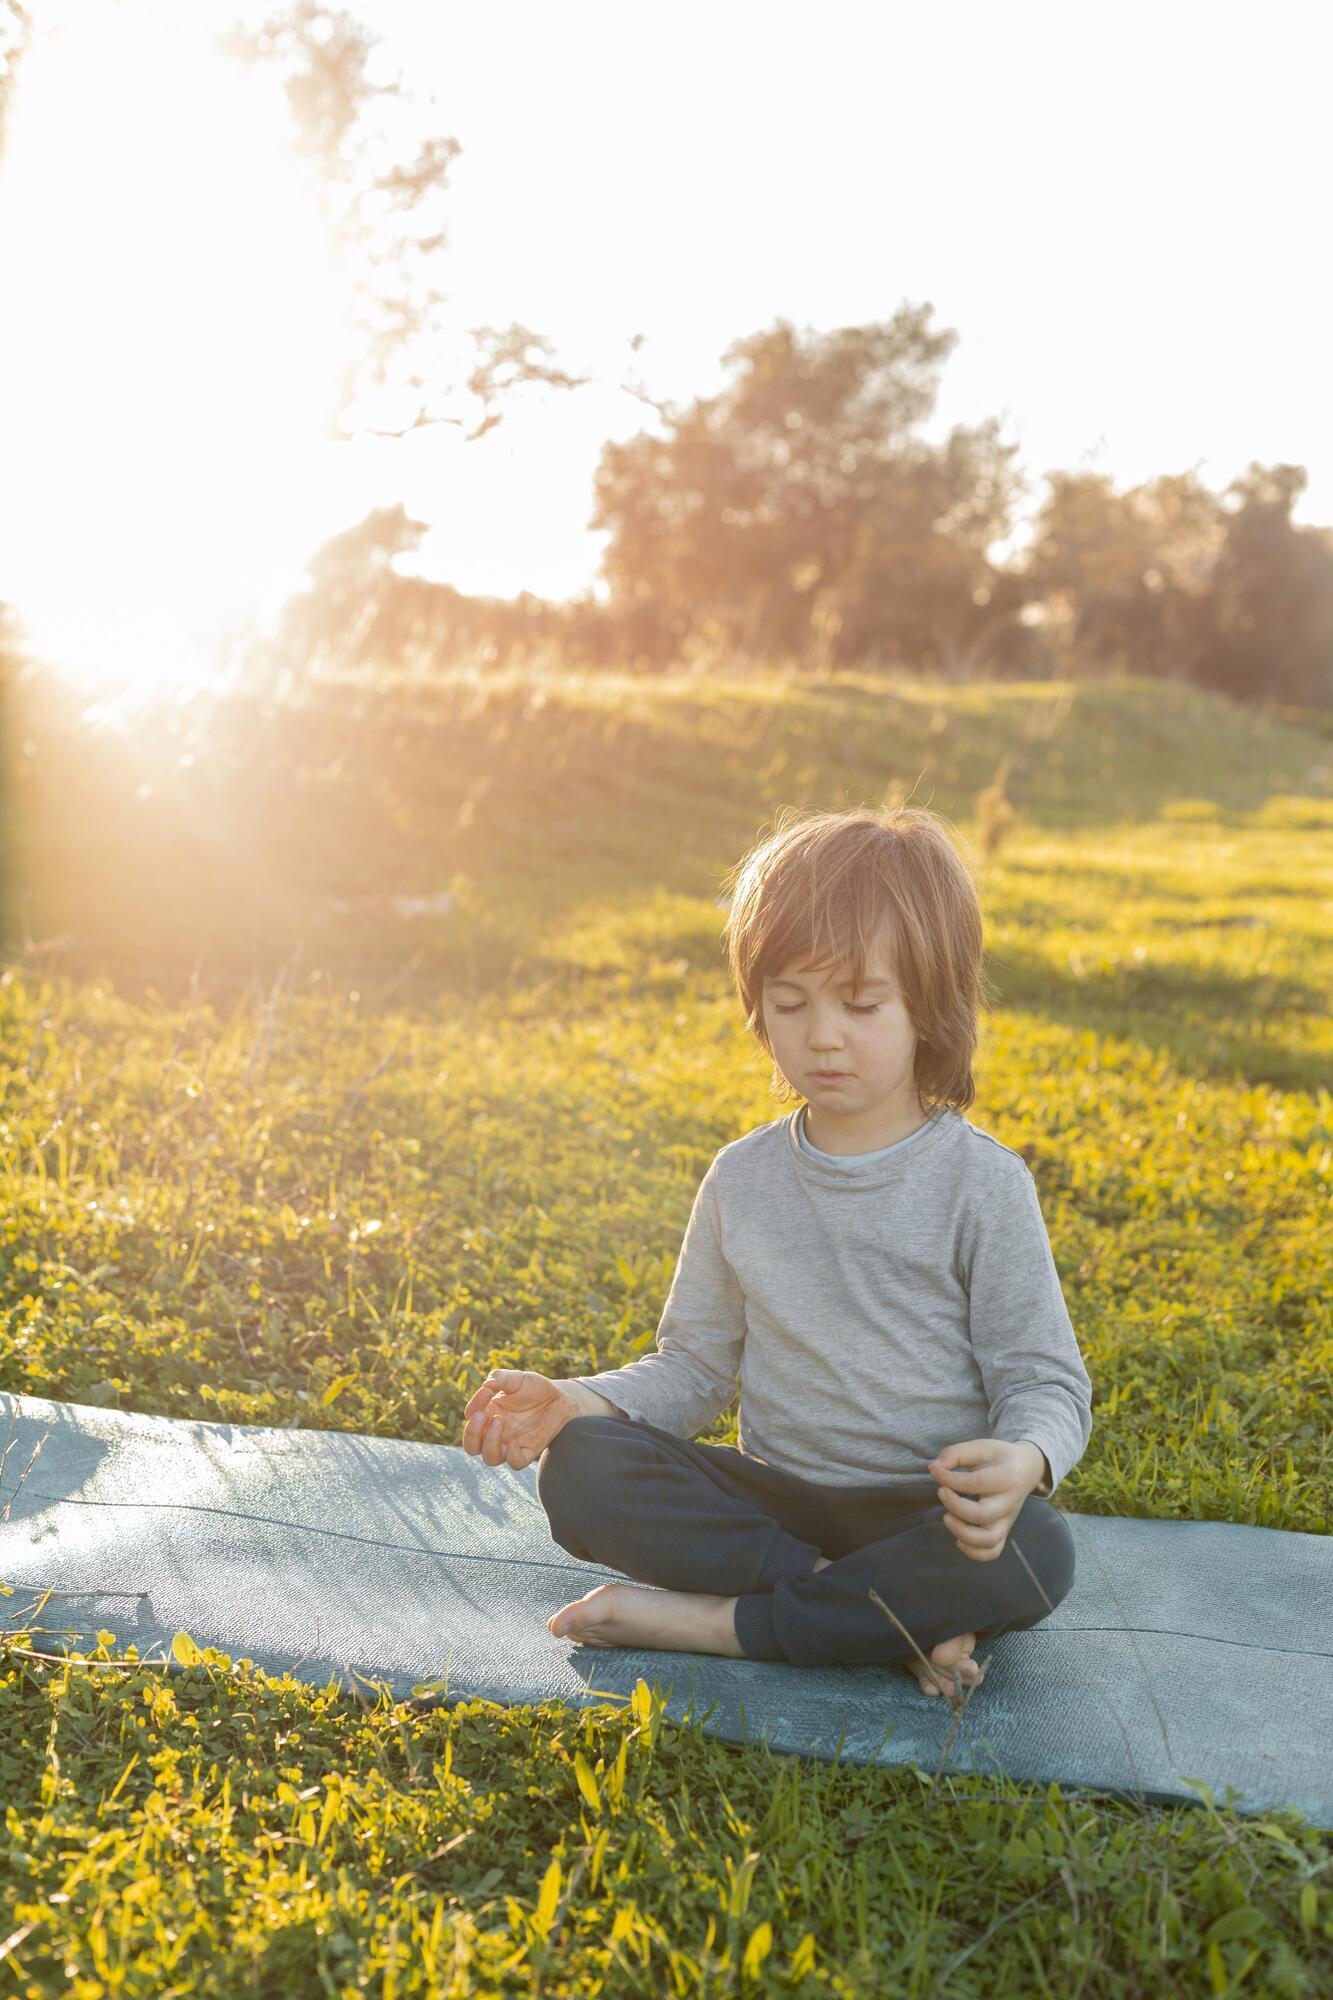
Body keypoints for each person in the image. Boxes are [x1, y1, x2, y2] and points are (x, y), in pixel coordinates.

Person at [461, 804, 1092, 1695]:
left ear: (930, 1004)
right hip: (774, 1508)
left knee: (1037, 1550)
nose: (822, 1034)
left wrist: (1024, 1458)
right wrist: (576, 1399)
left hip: (923, 1514)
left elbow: (1046, 1383)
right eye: (789, 1004)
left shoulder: (981, 1183)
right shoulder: (740, 1178)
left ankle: (716, 1622)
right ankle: (880, 1618)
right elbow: (693, 1370)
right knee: (588, 1469)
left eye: (861, 1004)